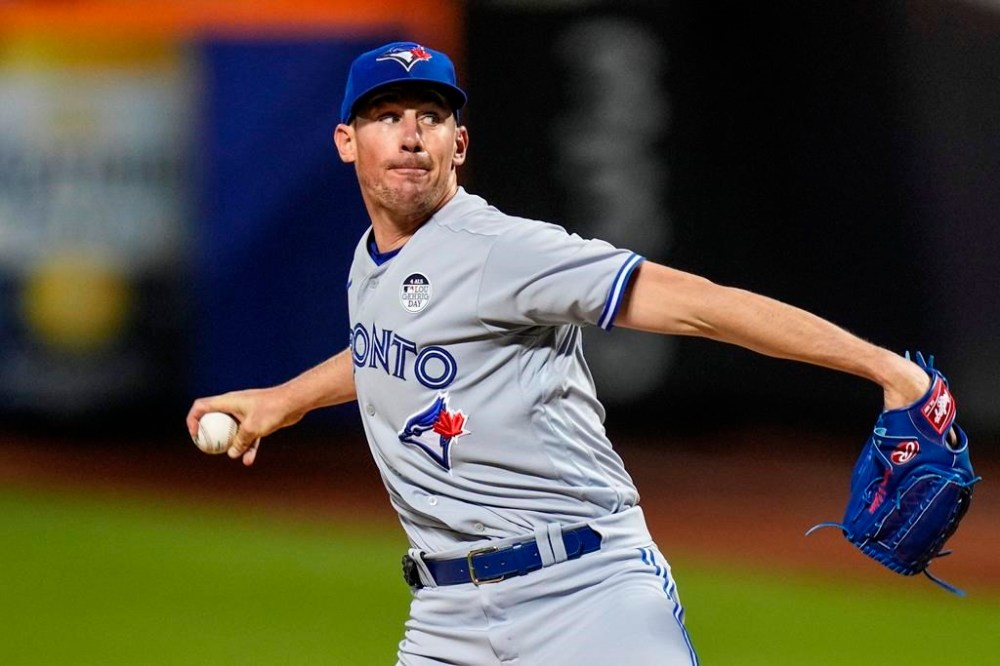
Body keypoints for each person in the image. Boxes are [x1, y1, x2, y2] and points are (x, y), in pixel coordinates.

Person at [187, 41, 932, 665]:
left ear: (460, 143)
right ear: (347, 141)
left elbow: (703, 307)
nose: (411, 135)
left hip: (586, 596)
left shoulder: (502, 251)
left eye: (432, 117)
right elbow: (389, 351)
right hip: (445, 617)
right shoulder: (372, 259)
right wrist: (282, 401)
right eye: (387, 116)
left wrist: (882, 367)